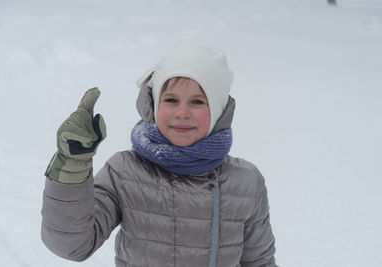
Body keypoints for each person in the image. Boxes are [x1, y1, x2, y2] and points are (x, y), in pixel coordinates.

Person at [41, 42, 277, 267]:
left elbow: (260, 262)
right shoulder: (125, 172)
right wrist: (72, 165)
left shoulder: (245, 182)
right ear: (153, 105)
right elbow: (71, 245)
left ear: (218, 111)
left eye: (197, 102)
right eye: (171, 100)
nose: (182, 112)